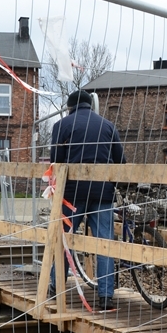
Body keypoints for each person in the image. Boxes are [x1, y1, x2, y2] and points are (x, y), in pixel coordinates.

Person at [49, 89, 125, 312]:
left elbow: (56, 162)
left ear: (70, 107)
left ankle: (56, 287)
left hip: (72, 195)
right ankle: (106, 297)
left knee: (64, 240)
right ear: (90, 105)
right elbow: (121, 161)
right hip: (103, 194)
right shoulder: (108, 126)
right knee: (104, 243)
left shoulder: (62, 126)